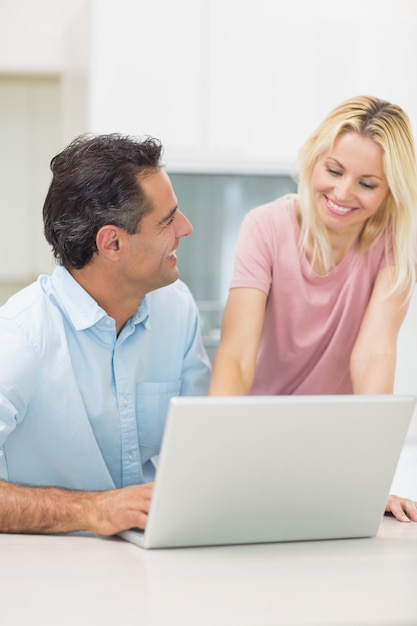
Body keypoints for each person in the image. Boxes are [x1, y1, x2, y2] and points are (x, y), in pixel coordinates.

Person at [209, 95, 417, 522]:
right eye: (334, 170)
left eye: (367, 183)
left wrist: (370, 479)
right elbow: (236, 354)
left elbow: (374, 353)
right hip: (253, 440)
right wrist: (215, 460)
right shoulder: (265, 227)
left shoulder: (395, 245)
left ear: (390, 189)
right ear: (314, 161)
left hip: (331, 451)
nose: (342, 193)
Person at [0, 133, 211, 536]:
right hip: (47, 575)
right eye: (167, 220)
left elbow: (201, 449)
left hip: (158, 557)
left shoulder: (176, 308)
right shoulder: (21, 336)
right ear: (112, 242)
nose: (186, 228)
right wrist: (90, 511)